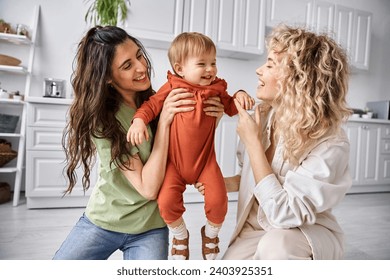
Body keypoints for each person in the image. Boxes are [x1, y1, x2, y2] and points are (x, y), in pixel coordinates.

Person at [52, 26, 224, 260]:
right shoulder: (104, 121)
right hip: (106, 220)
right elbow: (148, 188)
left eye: (139, 55)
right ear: (108, 78)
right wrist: (163, 123)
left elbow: (188, 150)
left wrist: (215, 117)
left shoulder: (160, 99)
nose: (142, 67)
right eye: (127, 65)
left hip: (150, 227)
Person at [197, 25, 353, 259]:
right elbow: (258, 179)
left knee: (277, 246)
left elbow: (285, 214)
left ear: (299, 79)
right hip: (255, 230)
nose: (259, 70)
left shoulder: (330, 141)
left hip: (299, 233)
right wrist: (222, 183)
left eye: (270, 65)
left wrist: (253, 144)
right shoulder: (264, 117)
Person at [127, 32, 255, 260]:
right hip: (173, 164)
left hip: (205, 162)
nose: (210, 69)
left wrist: (241, 95)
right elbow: (151, 105)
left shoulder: (216, 89)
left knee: (219, 201)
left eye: (213, 63)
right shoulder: (172, 87)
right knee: (165, 202)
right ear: (180, 68)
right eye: (202, 64)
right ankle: (179, 234)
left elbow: (231, 106)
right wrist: (138, 121)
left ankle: (211, 233)